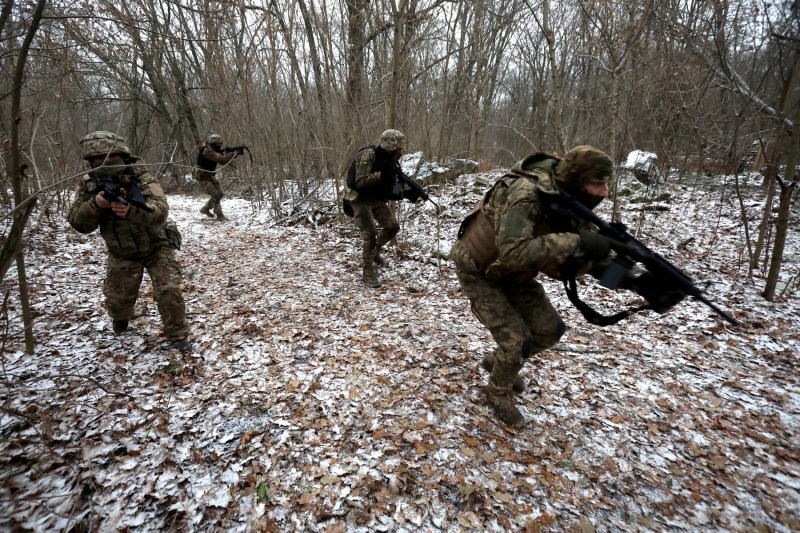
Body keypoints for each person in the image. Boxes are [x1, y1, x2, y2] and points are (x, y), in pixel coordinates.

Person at [449, 146, 685, 426]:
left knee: (549, 331)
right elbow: (513, 252)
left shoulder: (569, 201)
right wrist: (576, 242)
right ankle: (498, 392)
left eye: (606, 183)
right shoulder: (525, 194)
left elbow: (593, 257)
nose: (604, 192)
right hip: (479, 270)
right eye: (597, 183)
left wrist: (636, 281)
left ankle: (498, 363)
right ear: (576, 179)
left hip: (513, 273)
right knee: (516, 342)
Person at [68, 131, 192, 354]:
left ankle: (178, 335)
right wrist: (95, 205)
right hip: (121, 251)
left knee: (169, 291)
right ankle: (121, 319)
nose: (104, 164)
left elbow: (160, 211)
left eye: (110, 158)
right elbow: (79, 224)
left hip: (157, 245)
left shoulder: (141, 176)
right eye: (98, 160)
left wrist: (131, 211)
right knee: (118, 301)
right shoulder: (88, 184)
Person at [344, 129, 407, 288]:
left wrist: (401, 191)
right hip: (359, 199)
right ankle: (368, 269)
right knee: (370, 232)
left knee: (393, 226)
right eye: (399, 147)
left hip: (375, 198)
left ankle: (375, 252)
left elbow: (388, 186)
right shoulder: (368, 155)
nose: (401, 150)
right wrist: (381, 176)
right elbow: (358, 182)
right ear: (392, 146)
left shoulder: (391, 160)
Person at [196, 133, 236, 221]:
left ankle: (205, 209)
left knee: (220, 194)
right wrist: (232, 153)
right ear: (214, 143)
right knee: (215, 195)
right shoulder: (208, 151)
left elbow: (222, 158)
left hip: (210, 176)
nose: (219, 146)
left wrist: (231, 155)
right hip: (203, 177)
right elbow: (222, 160)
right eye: (218, 144)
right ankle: (220, 215)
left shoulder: (211, 149)